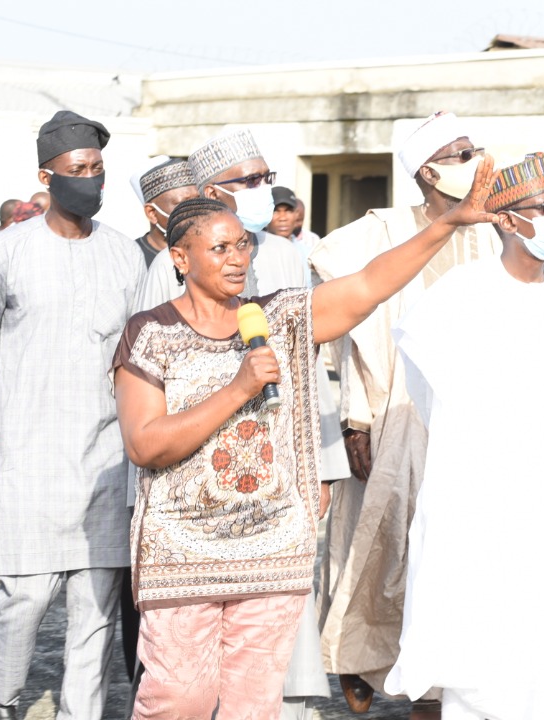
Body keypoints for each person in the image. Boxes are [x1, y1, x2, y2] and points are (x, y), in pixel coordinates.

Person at [112, 149, 496, 718]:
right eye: (219, 248)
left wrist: (447, 223)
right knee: (177, 700)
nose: (238, 258)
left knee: (254, 703)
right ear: (178, 257)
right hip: (180, 553)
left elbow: (367, 286)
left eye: (243, 244)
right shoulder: (151, 334)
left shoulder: (279, 317)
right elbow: (146, 443)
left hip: (271, 549)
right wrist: (239, 388)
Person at [382, 152, 544, 719]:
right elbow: (429, 384)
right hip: (494, 492)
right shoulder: (463, 292)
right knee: (492, 629)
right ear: (505, 220)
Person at [0, 110, 146, 720]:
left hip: (108, 462)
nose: (90, 181)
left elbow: (141, 359)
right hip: (28, 459)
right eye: (78, 170)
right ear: (46, 175)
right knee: (24, 600)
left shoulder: (124, 256)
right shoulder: (6, 252)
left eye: (98, 171)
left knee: (94, 614)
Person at [309, 111, 499, 717]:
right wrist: (356, 417)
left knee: (459, 554)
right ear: (427, 169)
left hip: (473, 420)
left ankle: (443, 686)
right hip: (394, 410)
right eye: (462, 151)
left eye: (475, 147)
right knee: (382, 545)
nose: (476, 157)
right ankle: (363, 654)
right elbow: (350, 329)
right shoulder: (378, 232)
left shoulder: (492, 233)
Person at [185, 131, 343, 720]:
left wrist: (325, 467)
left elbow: (310, 364)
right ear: (208, 193)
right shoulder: (169, 267)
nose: (263, 192)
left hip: (286, 467)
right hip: (204, 472)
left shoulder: (285, 256)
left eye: (264, 177)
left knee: (285, 625)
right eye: (248, 182)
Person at [139, 129, 303, 312]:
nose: (264, 187)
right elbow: (147, 333)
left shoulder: (285, 252)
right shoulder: (171, 263)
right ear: (213, 194)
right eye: (252, 180)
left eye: (267, 178)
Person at [129, 157, 199, 268]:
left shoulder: (209, 251)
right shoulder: (131, 259)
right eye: (182, 204)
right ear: (151, 213)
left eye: (198, 200)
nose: (196, 209)